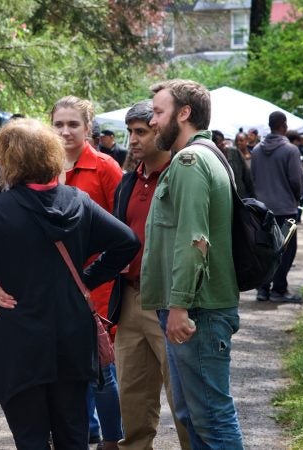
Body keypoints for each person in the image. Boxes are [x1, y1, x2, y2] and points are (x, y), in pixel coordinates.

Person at [0, 118, 140, 449]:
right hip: (71, 334)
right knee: (74, 434)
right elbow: (128, 242)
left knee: (30, 437)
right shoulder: (78, 201)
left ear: (8, 160)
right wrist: (86, 281)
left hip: (18, 338)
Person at [142, 79, 243, 449]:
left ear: (183, 113)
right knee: (193, 419)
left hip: (196, 311)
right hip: (193, 309)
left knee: (212, 420)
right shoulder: (205, 155)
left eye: (158, 112)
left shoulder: (190, 161)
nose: (152, 121)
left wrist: (180, 306)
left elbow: (193, 240)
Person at [108, 101, 191, 450]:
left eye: (141, 131)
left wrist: (180, 303)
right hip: (129, 298)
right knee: (132, 395)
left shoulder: (183, 174)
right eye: (130, 132)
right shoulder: (128, 181)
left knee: (184, 399)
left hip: (171, 301)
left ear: (161, 129)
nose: (133, 140)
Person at [51, 95, 123, 449]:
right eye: (59, 124)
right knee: (66, 367)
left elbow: (122, 230)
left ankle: (111, 438)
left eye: (73, 124)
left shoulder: (106, 167)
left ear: (88, 128)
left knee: (101, 369)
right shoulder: (43, 166)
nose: (65, 131)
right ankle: (85, 430)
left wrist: (98, 272)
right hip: (55, 287)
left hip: (97, 285)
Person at [251, 112, 303, 302]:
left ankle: (263, 288)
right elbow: (296, 181)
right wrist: (297, 198)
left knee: (265, 250)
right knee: (286, 250)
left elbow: (253, 178)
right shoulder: (290, 150)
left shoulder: (256, 150)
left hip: (263, 210)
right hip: (285, 208)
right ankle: (279, 289)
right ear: (284, 125)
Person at [212, 130, 254, 198]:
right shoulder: (212, 159)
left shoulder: (234, 152)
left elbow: (247, 176)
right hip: (225, 199)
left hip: (241, 197)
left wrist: (253, 196)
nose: (223, 144)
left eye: (223, 140)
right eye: (219, 142)